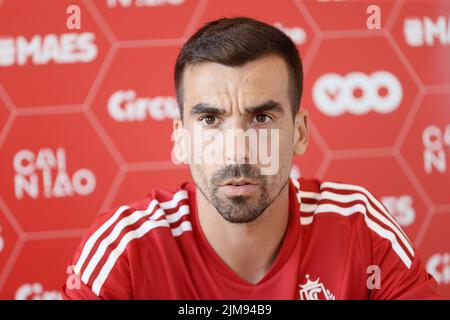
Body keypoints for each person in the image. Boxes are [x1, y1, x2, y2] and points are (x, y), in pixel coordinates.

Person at [61, 17, 441, 300]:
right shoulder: (126, 248)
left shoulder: (359, 226)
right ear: (180, 140)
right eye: (210, 120)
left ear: (300, 133)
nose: (238, 150)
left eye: (261, 118)